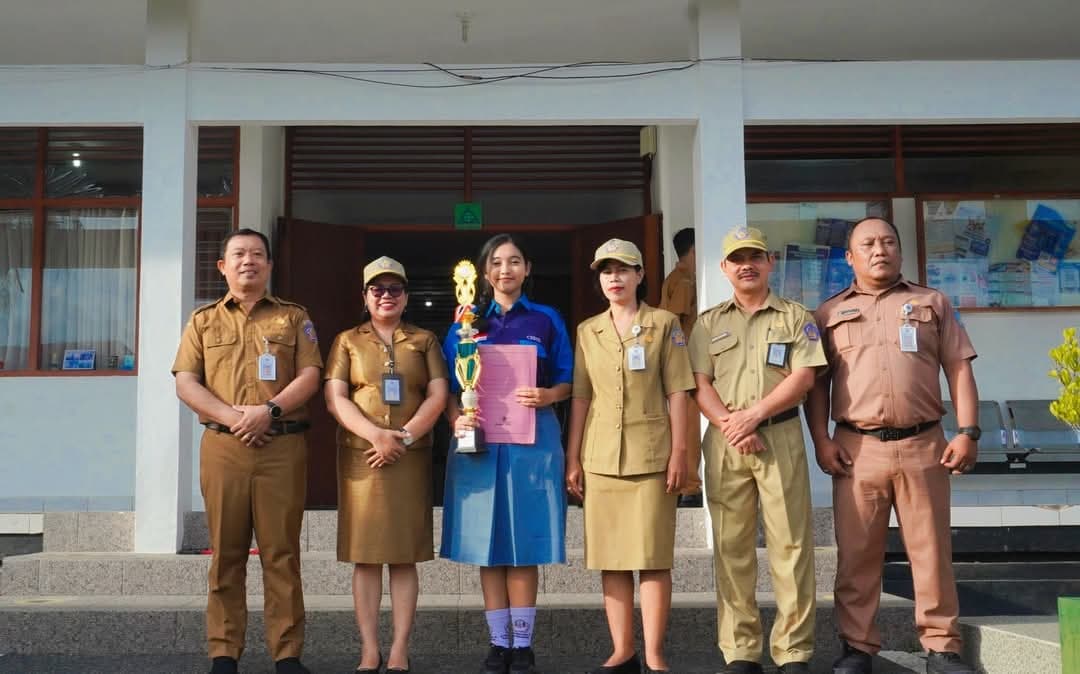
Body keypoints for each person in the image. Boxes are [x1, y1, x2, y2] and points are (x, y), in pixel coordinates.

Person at [805, 217, 980, 674]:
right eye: (868, 244)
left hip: (925, 445)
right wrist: (820, 440)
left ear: (900, 251)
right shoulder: (828, 313)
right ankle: (858, 648)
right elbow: (816, 386)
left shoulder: (932, 302)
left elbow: (959, 368)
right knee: (857, 553)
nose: (879, 249)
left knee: (931, 551)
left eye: (888, 242)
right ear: (850, 257)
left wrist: (968, 431)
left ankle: (942, 647)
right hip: (856, 450)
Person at [172, 228, 322, 674]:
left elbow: (311, 375)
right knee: (227, 553)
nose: (248, 261)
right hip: (224, 447)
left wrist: (268, 411)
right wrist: (237, 417)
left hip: (282, 446)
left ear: (270, 265)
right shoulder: (203, 321)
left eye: (257, 254)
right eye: (238, 254)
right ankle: (223, 651)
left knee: (281, 553)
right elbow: (185, 381)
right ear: (222, 266)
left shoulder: (294, 318)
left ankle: (287, 654)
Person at [689, 225, 824, 674]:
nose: (747, 264)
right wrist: (732, 424)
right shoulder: (708, 322)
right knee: (732, 547)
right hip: (727, 441)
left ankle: (794, 651)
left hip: (779, 436)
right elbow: (699, 383)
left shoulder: (793, 316)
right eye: (737, 258)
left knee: (791, 545)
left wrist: (755, 415)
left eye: (756, 256)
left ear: (770, 263)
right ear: (725, 268)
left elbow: (804, 376)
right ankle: (741, 649)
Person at [441, 233, 573, 674]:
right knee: (488, 542)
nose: (505, 270)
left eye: (514, 261)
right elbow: (446, 386)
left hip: (532, 442)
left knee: (525, 541)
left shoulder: (547, 319)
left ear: (527, 269)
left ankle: (523, 644)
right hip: (480, 443)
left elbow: (569, 381)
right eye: (497, 262)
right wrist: (456, 418)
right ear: (484, 272)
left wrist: (548, 393)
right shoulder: (465, 322)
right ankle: (498, 644)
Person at [566, 238, 695, 674]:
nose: (614, 278)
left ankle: (655, 654)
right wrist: (573, 457)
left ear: (641, 275)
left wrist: (681, 451)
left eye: (623, 269)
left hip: (653, 456)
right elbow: (581, 397)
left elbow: (679, 389)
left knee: (654, 559)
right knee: (612, 559)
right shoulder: (588, 330)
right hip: (601, 457)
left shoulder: (664, 324)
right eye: (606, 271)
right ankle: (623, 649)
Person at [324, 256, 449, 674]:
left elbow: (438, 393)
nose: (386, 296)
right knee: (365, 556)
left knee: (404, 555)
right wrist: (375, 435)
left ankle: (399, 648)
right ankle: (369, 648)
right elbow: (336, 396)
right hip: (363, 458)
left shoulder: (425, 340)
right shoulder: (347, 341)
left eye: (395, 289)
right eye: (377, 289)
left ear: (406, 296)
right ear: (364, 296)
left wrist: (406, 436)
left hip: (409, 458)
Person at [659, 227, 703, 506]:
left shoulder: (678, 278)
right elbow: (673, 321)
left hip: (685, 367)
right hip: (685, 366)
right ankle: (688, 486)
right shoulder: (684, 281)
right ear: (693, 252)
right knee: (688, 428)